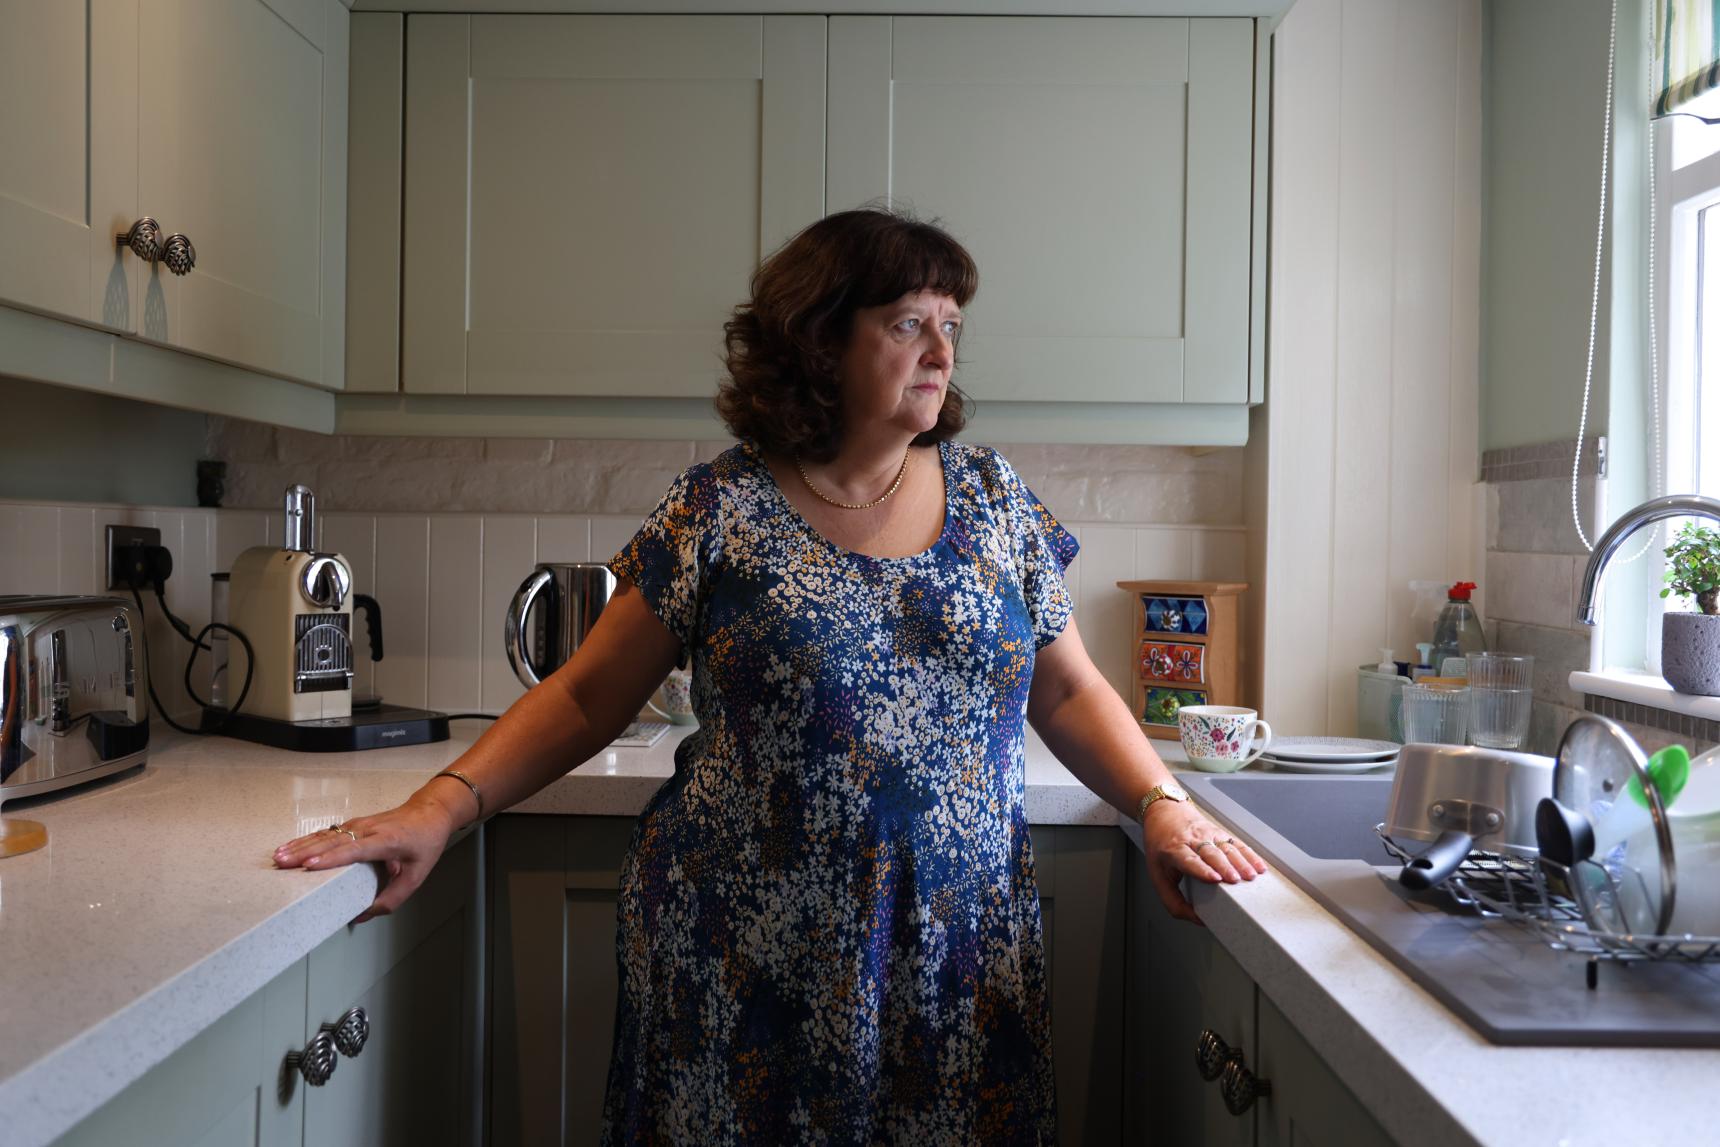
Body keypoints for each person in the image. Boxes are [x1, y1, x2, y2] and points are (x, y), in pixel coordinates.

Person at [272, 207, 1267, 1144]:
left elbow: (1068, 690)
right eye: (907, 321)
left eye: (951, 323)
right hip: (744, 969)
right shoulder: (719, 510)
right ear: (821, 339)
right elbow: (583, 695)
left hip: (957, 967)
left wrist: (1162, 801)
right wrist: (441, 807)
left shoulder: (996, 499)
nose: (940, 348)